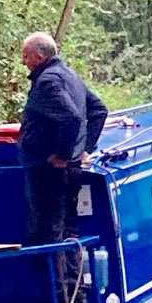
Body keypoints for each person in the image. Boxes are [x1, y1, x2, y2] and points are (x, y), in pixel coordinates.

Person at [19, 32, 108, 249]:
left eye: (26, 56)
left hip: (48, 171)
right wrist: (85, 149)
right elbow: (99, 110)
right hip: (71, 169)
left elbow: (72, 117)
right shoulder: (70, 76)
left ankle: (58, 284)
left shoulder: (48, 81)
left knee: (49, 234)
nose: (23, 61)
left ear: (39, 56)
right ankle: (71, 281)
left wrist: (64, 155)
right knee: (69, 231)